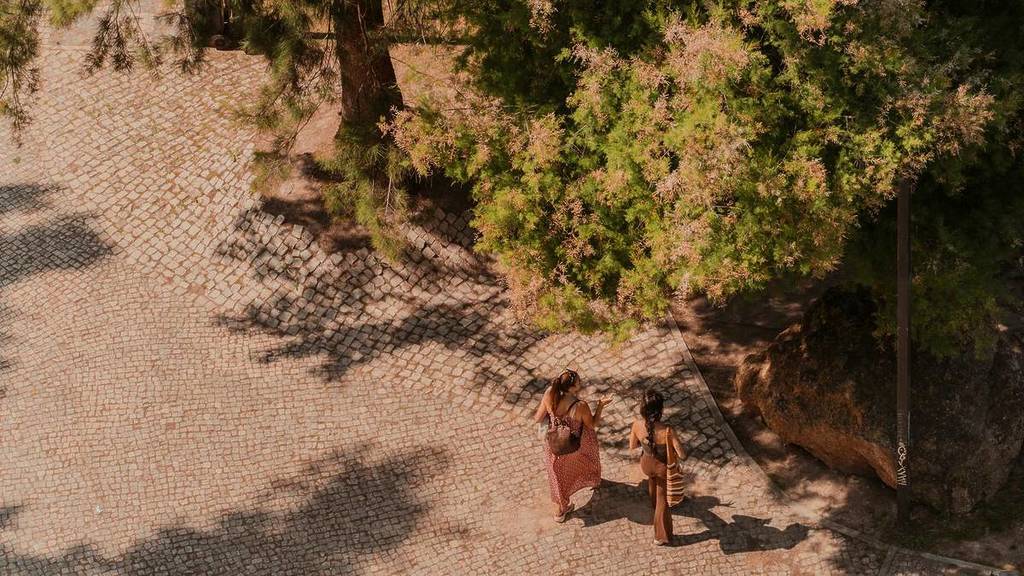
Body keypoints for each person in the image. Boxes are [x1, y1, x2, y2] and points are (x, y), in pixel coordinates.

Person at [533, 369, 613, 522]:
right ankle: (592, 479)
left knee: (557, 475)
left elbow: (537, 418)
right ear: (572, 387)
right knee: (587, 459)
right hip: (575, 445)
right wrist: (601, 406)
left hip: (555, 445)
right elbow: (592, 424)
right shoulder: (580, 406)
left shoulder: (549, 393)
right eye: (578, 382)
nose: (580, 383)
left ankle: (560, 509)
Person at [629, 389, 686, 545]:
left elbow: (632, 446)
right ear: (660, 410)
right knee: (663, 500)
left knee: (652, 481)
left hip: (646, 464)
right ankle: (660, 536)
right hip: (662, 468)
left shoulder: (636, 425)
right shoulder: (668, 430)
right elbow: (682, 455)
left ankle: (653, 503)